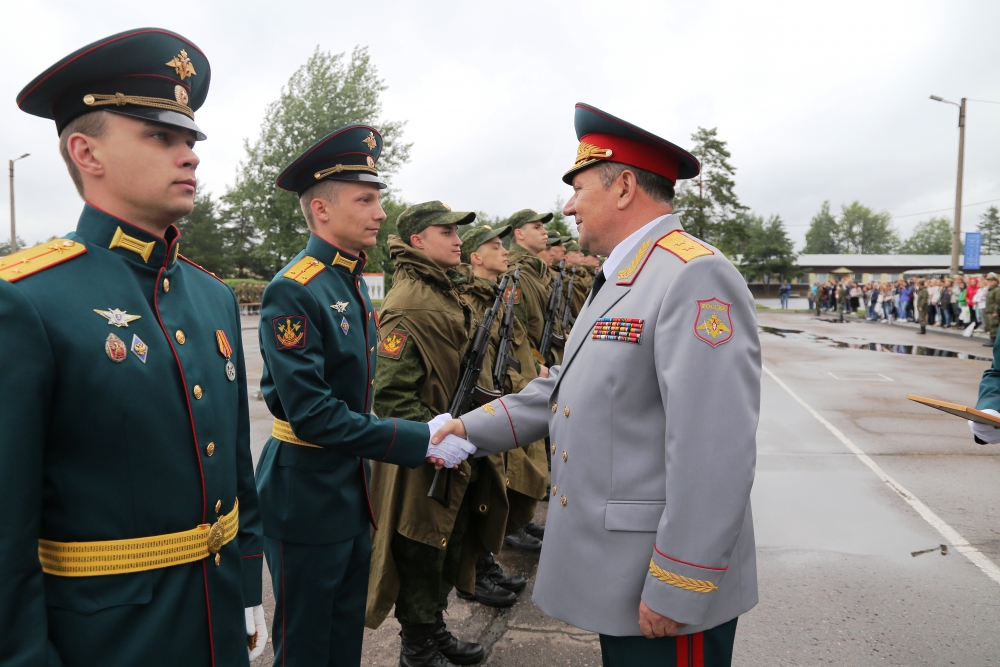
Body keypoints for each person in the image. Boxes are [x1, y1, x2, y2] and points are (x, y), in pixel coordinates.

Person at [432, 103, 760, 667]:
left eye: (579, 187)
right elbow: (568, 386)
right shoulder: (624, 275)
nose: (568, 206)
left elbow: (715, 448)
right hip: (622, 576)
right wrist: (469, 427)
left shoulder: (692, 275)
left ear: (625, 186)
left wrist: (681, 580)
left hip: (663, 586)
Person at [0, 28, 269, 665]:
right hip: (108, 641)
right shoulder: (27, 299)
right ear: (85, 151)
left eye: (190, 140)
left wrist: (248, 585)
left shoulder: (212, 297)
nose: (190, 156)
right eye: (160, 136)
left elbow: (235, 466)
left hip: (217, 617)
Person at [254, 128, 471, 667]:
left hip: (351, 491)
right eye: (366, 199)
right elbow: (314, 415)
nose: (380, 211)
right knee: (307, 646)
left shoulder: (349, 281)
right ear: (322, 209)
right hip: (304, 492)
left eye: (378, 197)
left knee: (344, 636)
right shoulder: (296, 287)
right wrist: (419, 437)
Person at [366, 202, 498, 667]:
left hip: (451, 443)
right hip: (425, 453)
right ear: (418, 241)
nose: (458, 239)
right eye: (446, 231)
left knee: (448, 539)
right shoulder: (408, 304)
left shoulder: (441, 291)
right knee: (422, 545)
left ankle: (433, 629)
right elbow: (390, 395)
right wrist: (436, 438)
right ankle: (417, 649)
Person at [454, 224, 547, 607]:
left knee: (494, 492)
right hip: (479, 410)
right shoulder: (471, 300)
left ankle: (484, 563)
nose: (503, 250)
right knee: (481, 494)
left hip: (505, 398)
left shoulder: (496, 293)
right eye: (494, 246)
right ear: (476, 257)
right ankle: (473, 572)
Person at [984, 273, 1000, 346]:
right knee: (990, 326)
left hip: (993, 311)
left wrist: (996, 311)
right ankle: (992, 340)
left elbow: (998, 302)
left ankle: (995, 341)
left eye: (991, 281)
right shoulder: (990, 290)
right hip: (988, 311)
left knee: (994, 326)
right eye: (988, 281)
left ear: (996, 281)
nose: (989, 282)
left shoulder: (997, 290)